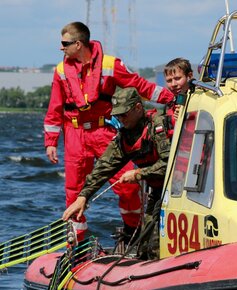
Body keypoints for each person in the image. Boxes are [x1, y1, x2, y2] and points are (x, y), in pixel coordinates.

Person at [44, 22, 174, 241]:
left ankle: (133, 232)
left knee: (128, 186)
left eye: (64, 43)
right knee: (73, 192)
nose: (61, 48)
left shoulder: (110, 65)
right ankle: (77, 246)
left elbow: (140, 85)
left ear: (78, 43)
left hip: (103, 131)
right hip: (74, 135)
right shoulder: (60, 71)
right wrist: (51, 141)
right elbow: (55, 107)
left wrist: (172, 98)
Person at [62, 87, 171, 259]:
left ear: (137, 108)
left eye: (124, 114)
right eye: (117, 116)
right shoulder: (124, 136)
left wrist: (138, 174)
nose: (120, 119)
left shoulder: (157, 126)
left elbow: (169, 165)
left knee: (155, 246)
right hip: (156, 191)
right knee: (144, 247)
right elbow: (104, 167)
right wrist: (83, 196)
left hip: (175, 192)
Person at [163, 57, 193, 135]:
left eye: (177, 78)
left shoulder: (199, 99)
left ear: (189, 76)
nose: (173, 84)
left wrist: (185, 120)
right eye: (169, 80)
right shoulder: (170, 104)